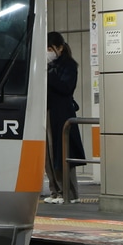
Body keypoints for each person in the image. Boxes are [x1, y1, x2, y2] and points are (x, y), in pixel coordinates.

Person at [44, 31, 85, 204]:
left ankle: (69, 193)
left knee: (62, 153)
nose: (48, 52)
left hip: (61, 114)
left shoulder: (68, 65)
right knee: (49, 155)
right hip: (48, 112)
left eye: (50, 48)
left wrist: (48, 73)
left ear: (60, 48)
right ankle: (55, 191)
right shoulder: (48, 65)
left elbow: (66, 87)